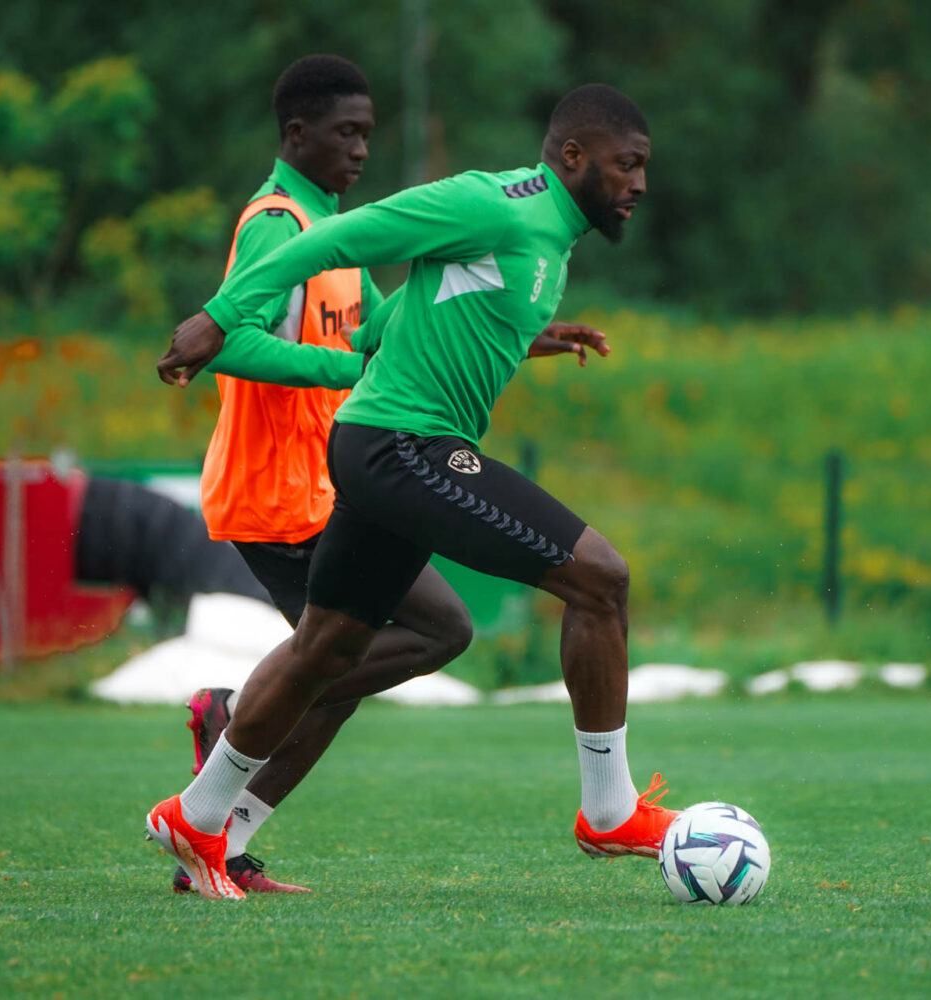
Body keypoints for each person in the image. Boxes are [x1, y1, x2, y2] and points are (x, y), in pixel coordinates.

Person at [146, 83, 668, 900]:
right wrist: (220, 317)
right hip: (400, 446)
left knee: (327, 651)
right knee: (599, 577)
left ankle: (199, 816)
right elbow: (341, 239)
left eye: (643, 169)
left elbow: (387, 328)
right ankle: (610, 812)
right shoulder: (494, 203)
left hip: (374, 445)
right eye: (627, 165)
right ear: (573, 157)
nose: (638, 184)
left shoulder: (549, 241)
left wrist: (523, 338)